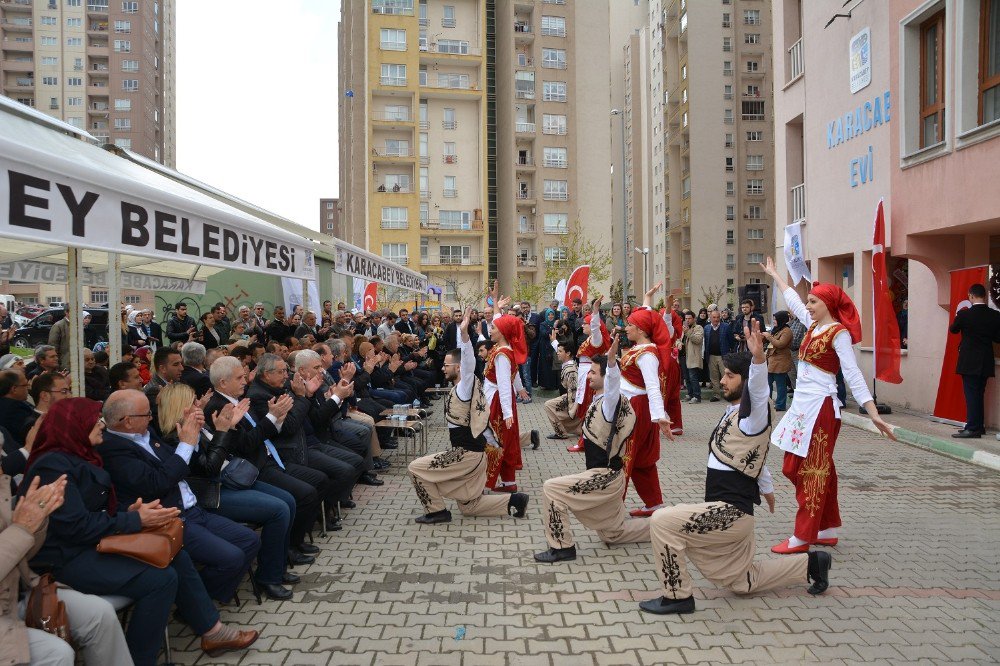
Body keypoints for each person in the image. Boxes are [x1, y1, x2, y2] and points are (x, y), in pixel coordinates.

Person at [22, 398, 260, 665]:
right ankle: (140, 658)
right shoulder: (53, 466)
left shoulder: (79, 455)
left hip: (95, 541)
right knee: (160, 579)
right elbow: (76, 526)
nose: (102, 424)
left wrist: (129, 514)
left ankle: (212, 631)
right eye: (94, 419)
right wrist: (133, 520)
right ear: (75, 426)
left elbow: (97, 510)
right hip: (66, 558)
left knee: (174, 553)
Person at [640, 322, 832, 615]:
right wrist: (766, 489)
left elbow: (756, 391)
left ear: (745, 381)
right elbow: (754, 457)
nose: (724, 381)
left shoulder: (752, 412)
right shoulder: (734, 414)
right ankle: (812, 564)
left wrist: (757, 362)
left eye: (731, 376)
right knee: (741, 582)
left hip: (731, 514)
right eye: (725, 375)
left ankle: (677, 596)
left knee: (663, 522)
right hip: (731, 516)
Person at [761, 257, 896, 553]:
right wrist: (775, 276)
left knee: (810, 470)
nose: (807, 306)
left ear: (828, 305)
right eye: (808, 301)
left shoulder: (839, 334)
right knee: (811, 467)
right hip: (802, 407)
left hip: (821, 408)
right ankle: (828, 527)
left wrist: (873, 413)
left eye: (813, 302)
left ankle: (803, 536)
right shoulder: (813, 325)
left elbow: (853, 375)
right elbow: (793, 300)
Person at [99, 390, 261, 605]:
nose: (151, 418)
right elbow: (158, 482)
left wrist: (192, 436)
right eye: (146, 414)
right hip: (172, 519)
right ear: (128, 421)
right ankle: (194, 607)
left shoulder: (146, 435)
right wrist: (187, 442)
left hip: (194, 510)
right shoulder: (113, 449)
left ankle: (198, 600)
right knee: (231, 558)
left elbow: (181, 467)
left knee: (249, 540)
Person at [157, 383, 296, 601]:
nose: (199, 404)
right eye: (193, 401)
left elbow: (228, 451)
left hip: (231, 480)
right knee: (278, 510)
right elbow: (208, 469)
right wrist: (222, 431)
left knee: (288, 500)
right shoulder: (175, 437)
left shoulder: (199, 426)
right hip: (212, 493)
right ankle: (268, 578)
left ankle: (276, 568)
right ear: (180, 406)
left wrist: (229, 428)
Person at [534, 334, 652, 563]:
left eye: (593, 373)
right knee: (613, 534)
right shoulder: (598, 402)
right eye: (589, 372)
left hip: (605, 478)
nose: (588, 376)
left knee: (552, 488)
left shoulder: (610, 402)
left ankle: (562, 547)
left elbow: (614, 384)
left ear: (606, 378)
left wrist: (611, 364)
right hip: (609, 478)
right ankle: (662, 526)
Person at [2, 467, 136, 665]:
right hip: (8, 606)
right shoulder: (51, 464)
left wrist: (36, 523)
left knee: (100, 614)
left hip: (18, 593)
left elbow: (23, 553)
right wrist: (22, 529)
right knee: (57, 654)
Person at [408, 308, 529, 524]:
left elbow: (469, 361)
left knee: (416, 468)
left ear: (458, 367)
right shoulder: (459, 388)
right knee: (469, 507)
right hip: (474, 457)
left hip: (467, 456)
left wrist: (464, 335)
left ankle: (436, 511)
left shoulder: (465, 386)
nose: (443, 369)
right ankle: (515, 502)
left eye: (446, 366)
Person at [203, 357, 321, 563]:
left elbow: (260, 433)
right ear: (223, 382)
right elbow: (246, 445)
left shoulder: (237, 400)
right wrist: (272, 418)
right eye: (239, 377)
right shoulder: (219, 408)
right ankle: (283, 554)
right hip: (253, 467)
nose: (245, 381)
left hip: (269, 457)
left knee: (303, 492)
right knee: (295, 498)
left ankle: (289, 548)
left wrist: (277, 419)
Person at [620, 282, 675, 517]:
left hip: (637, 409)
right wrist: (647, 299)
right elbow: (647, 319)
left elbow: (653, 387)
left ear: (641, 331)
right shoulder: (640, 348)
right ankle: (653, 503)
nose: (626, 327)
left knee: (626, 457)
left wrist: (659, 417)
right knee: (641, 459)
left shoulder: (646, 355)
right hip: (632, 406)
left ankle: (611, 507)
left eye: (630, 325)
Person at [482, 290, 530, 492]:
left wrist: (508, 413)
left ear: (502, 332)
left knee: (494, 440)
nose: (490, 329)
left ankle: (490, 481)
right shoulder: (507, 348)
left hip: (498, 402)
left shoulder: (502, 354)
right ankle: (508, 483)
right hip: (502, 400)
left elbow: (503, 383)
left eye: (493, 328)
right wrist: (496, 306)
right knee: (503, 440)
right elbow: (515, 375)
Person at [949, 284, 1000, 438]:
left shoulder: (965, 315)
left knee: (972, 395)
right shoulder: (995, 315)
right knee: (979, 393)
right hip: (985, 360)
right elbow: (998, 338)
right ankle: (978, 426)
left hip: (969, 361)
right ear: (984, 296)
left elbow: (953, 329)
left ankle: (972, 428)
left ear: (970, 296)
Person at [566, 296, 612, 453]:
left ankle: (584, 442)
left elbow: (595, 327)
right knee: (588, 408)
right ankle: (587, 440)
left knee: (588, 408)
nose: (583, 326)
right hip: (585, 372)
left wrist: (595, 310)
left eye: (585, 323)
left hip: (589, 374)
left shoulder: (596, 339)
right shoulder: (592, 339)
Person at [543, 335, 580, 441]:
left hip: (572, 397)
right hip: (569, 395)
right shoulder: (568, 363)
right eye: (557, 350)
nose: (557, 353)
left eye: (560, 351)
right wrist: (554, 341)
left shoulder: (570, 370)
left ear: (568, 353)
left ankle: (561, 432)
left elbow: (573, 390)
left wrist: (572, 410)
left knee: (549, 405)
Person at [763, 311, 793, 411]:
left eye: (776, 319)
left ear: (781, 319)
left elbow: (780, 344)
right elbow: (772, 342)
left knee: (780, 385)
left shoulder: (786, 331)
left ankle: (780, 405)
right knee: (768, 383)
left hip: (781, 361)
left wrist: (769, 337)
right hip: (772, 361)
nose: (774, 321)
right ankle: (767, 403)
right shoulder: (777, 329)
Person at [702, 310, 732, 401]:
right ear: (710, 318)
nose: (716, 319)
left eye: (718, 317)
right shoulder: (706, 328)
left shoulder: (726, 327)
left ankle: (729, 394)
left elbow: (731, 340)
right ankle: (716, 395)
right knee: (714, 377)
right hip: (711, 356)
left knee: (726, 375)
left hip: (723, 356)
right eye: (714, 317)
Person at [682, 311, 704, 404]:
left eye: (689, 318)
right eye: (686, 318)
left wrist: (688, 332)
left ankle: (697, 396)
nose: (687, 320)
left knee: (693, 377)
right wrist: (678, 343)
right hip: (684, 356)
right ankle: (690, 394)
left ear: (694, 318)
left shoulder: (698, 328)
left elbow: (698, 340)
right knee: (687, 377)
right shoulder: (684, 328)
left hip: (693, 356)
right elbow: (680, 339)